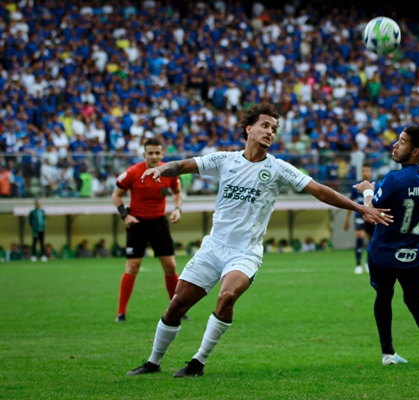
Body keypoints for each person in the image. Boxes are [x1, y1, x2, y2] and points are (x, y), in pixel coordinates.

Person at [125, 103, 392, 377]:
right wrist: (162, 169)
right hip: (213, 247)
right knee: (177, 305)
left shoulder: (278, 168)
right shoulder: (224, 160)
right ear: (248, 128)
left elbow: (319, 191)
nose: (270, 132)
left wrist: (361, 208)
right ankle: (153, 363)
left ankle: (197, 363)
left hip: (245, 252)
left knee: (227, 295)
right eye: (265, 126)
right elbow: (183, 165)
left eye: (274, 129)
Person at [353, 125, 419, 367]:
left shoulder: (393, 179)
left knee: (384, 295)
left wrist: (368, 191)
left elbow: (371, 214)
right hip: (414, 254)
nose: (395, 145)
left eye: (401, 142)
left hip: (384, 252)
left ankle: (388, 354)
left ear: (415, 151)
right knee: (418, 303)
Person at [111, 137, 185, 323]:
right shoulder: (132, 173)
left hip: (159, 223)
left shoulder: (169, 172)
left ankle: (177, 310)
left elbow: (177, 192)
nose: (153, 156)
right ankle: (121, 312)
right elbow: (116, 195)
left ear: (162, 154)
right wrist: (125, 215)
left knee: (170, 267)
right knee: (133, 266)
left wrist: (177, 209)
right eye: (150, 153)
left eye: (157, 153)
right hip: (137, 223)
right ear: (144, 154)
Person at [344, 164, 376, 274]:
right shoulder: (356, 186)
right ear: (361, 173)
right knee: (360, 237)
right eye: (364, 171)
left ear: (371, 172)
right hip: (359, 215)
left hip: (371, 216)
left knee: (371, 241)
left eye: (368, 171)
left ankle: (368, 263)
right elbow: (350, 202)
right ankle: (358, 264)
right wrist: (347, 219)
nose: (366, 173)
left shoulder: (376, 185)